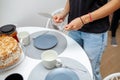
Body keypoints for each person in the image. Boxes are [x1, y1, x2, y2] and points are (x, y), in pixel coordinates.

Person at [53, 0, 120, 80]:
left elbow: (117, 2)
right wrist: (64, 13)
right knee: (75, 62)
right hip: (74, 27)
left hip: (94, 32)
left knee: (91, 69)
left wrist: (83, 20)